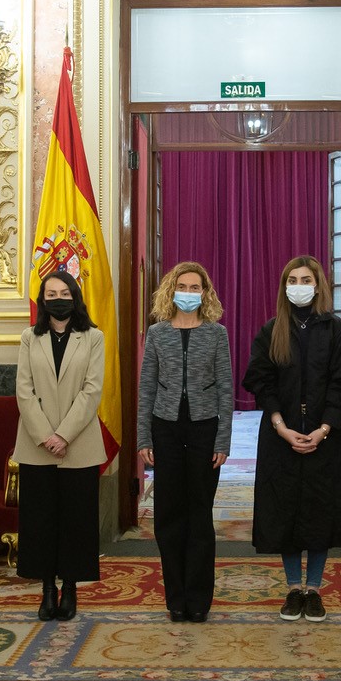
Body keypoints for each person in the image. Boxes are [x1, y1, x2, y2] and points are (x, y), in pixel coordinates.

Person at [243, 255, 341, 623]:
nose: (299, 285)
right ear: (284, 287)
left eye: (305, 279)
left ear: (319, 284)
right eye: (292, 279)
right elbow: (261, 381)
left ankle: (315, 590)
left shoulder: (336, 330)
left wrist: (324, 428)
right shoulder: (271, 330)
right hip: (281, 434)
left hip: (329, 436)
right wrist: (280, 424)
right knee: (286, 511)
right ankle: (294, 589)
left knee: (320, 512)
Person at [137, 262, 233, 623]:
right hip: (165, 428)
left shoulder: (217, 334)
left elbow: (226, 388)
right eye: (183, 286)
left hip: (204, 430)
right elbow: (146, 386)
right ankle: (175, 597)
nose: (189, 293)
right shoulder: (158, 333)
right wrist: (143, 435)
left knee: (198, 514)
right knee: (168, 515)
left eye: (196, 288)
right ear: (171, 291)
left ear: (205, 293)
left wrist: (223, 439)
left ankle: (198, 599)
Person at [15, 271, 106, 622]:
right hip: (36, 445)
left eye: (64, 292)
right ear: (42, 299)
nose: (57, 298)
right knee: (40, 522)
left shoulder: (93, 337)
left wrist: (63, 435)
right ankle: (47, 590)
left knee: (75, 521)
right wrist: (45, 436)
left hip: (78, 443)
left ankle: (70, 589)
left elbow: (92, 390)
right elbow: (24, 390)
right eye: (50, 293)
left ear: (75, 297)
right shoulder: (28, 337)